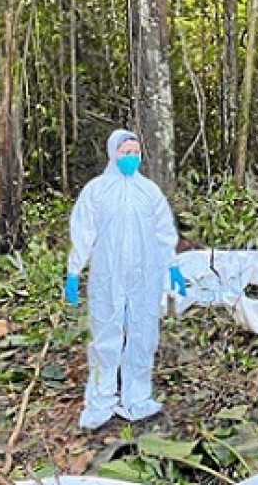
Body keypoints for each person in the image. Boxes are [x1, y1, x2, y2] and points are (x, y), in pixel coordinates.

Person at [63, 129, 189, 430]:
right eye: (125, 152)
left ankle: (137, 396)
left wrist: (173, 267)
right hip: (108, 275)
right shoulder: (96, 191)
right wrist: (73, 271)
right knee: (106, 335)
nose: (130, 157)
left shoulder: (149, 192)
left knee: (143, 334)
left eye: (135, 152)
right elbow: (83, 232)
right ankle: (101, 399)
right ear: (112, 153)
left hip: (146, 276)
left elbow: (163, 232)